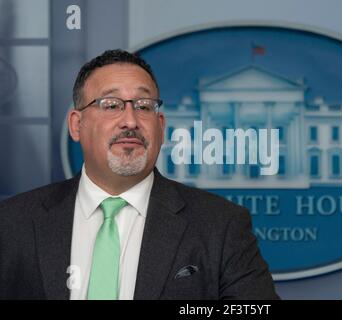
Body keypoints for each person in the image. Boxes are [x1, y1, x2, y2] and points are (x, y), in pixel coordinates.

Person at [0, 49, 279, 300]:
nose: (130, 121)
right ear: (77, 125)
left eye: (144, 106)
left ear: (160, 126)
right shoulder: (12, 223)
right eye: (111, 105)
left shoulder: (222, 225)